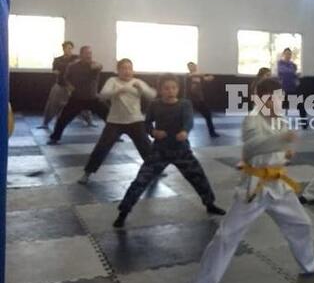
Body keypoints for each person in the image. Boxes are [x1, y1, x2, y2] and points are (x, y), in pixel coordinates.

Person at [181, 77, 314, 283]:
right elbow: (252, 146)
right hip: (254, 187)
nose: (280, 100)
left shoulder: (280, 119)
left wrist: (285, 154)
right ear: (262, 99)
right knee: (226, 236)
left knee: (302, 224)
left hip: (278, 185)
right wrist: (281, 140)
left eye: (281, 96)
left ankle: (309, 265)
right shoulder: (252, 119)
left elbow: (276, 150)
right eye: (276, 97)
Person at [113, 74, 226, 228]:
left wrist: (185, 131)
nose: (170, 91)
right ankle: (123, 212)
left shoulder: (184, 104)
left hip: (181, 150)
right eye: (166, 88)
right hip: (159, 151)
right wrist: (153, 132)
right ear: (160, 90)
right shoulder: (155, 105)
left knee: (198, 177)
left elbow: (189, 121)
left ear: (178, 89)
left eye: (173, 88)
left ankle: (210, 204)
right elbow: (146, 124)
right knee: (141, 180)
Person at [77, 59, 156, 184]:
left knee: (146, 147)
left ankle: (155, 170)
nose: (127, 71)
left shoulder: (137, 82)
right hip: (115, 122)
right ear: (118, 70)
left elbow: (152, 95)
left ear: (133, 70)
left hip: (135, 121)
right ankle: (87, 173)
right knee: (102, 147)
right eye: (123, 68)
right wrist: (118, 91)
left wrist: (142, 89)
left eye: (129, 68)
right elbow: (102, 96)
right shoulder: (112, 81)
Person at [48, 46, 109, 144]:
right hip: (77, 98)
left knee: (109, 116)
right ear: (81, 55)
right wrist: (69, 85)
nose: (89, 55)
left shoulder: (95, 65)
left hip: (92, 98)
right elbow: (65, 78)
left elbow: (99, 66)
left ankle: (114, 136)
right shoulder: (72, 66)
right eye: (86, 53)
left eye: (90, 53)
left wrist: (96, 65)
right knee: (63, 119)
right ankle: (55, 137)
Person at [40, 41, 93, 129]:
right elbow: (55, 70)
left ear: (72, 49)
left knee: (84, 103)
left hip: (74, 86)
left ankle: (89, 121)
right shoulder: (57, 60)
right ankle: (45, 123)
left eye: (70, 48)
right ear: (63, 49)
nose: (68, 50)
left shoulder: (77, 58)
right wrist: (60, 71)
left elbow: (82, 68)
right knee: (52, 104)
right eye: (66, 48)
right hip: (60, 85)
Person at [186, 62, 219, 138]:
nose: (192, 68)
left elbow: (210, 78)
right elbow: (195, 75)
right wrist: (203, 75)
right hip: (190, 101)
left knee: (208, 115)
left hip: (199, 101)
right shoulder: (189, 75)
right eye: (190, 67)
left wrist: (209, 76)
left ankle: (212, 132)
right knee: (185, 117)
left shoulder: (199, 77)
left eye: (193, 66)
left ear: (196, 66)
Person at [277, 48, 307, 126]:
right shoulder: (280, 63)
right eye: (286, 54)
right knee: (277, 105)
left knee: (301, 104)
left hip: (293, 89)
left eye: (289, 54)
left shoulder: (293, 65)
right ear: (283, 54)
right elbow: (285, 72)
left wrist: (296, 78)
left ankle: (304, 123)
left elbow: (295, 76)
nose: (288, 55)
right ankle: (277, 123)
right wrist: (293, 73)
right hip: (283, 89)